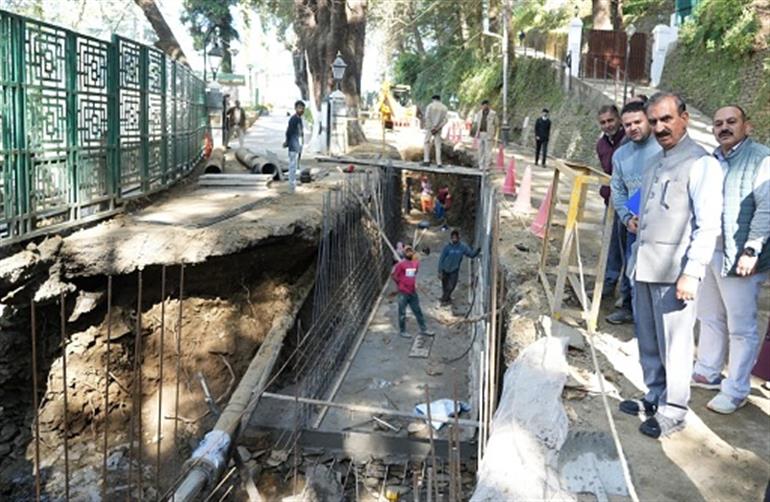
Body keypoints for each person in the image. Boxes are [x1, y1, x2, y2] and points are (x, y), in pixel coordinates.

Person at [619, 92, 722, 439]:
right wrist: (631, 215)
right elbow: (640, 204)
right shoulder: (654, 162)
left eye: (667, 119)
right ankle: (654, 394)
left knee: (675, 344)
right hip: (645, 265)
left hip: (675, 271)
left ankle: (674, 409)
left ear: (684, 118)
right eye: (655, 120)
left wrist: (692, 272)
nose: (660, 127)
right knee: (648, 338)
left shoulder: (700, 163)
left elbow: (708, 224)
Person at [691, 105, 770, 414]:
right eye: (718, 123)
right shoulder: (712, 160)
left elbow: (767, 208)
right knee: (708, 315)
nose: (724, 127)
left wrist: (752, 248)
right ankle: (708, 371)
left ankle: (736, 388)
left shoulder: (761, 158)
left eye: (731, 122)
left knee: (742, 326)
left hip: (740, 256)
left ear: (746, 127)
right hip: (711, 249)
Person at [607, 99, 661, 325]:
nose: (633, 128)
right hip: (633, 222)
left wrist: (641, 210)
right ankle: (628, 307)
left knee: (656, 273)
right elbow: (617, 188)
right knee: (631, 266)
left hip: (661, 224)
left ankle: (652, 318)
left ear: (648, 120)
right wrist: (627, 216)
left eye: (638, 122)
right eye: (628, 125)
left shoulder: (662, 148)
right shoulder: (620, 155)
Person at [596, 105, 629, 311]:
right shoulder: (601, 144)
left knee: (628, 248)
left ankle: (627, 297)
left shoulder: (630, 141)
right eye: (603, 122)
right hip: (611, 201)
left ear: (618, 119)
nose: (608, 125)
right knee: (610, 245)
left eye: (610, 120)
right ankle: (608, 285)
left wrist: (631, 207)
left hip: (630, 202)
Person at [392, 246, 435, 338]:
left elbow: (415, 272)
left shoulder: (415, 264)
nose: (409, 253)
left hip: (412, 292)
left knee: (417, 311)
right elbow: (394, 276)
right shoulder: (401, 265)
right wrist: (400, 285)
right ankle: (402, 331)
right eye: (407, 251)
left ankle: (424, 329)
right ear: (404, 254)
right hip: (403, 293)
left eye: (410, 251)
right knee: (402, 312)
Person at [438, 230, 480, 306]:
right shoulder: (447, 247)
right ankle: (447, 299)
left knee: (451, 286)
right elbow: (441, 259)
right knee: (445, 287)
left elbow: (470, 254)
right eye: (453, 238)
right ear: (451, 238)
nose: (454, 239)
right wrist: (439, 271)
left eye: (455, 238)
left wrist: (477, 251)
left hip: (454, 270)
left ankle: (444, 300)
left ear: (458, 238)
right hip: (445, 269)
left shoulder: (462, 247)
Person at [283, 100, 305, 193]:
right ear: (295, 108)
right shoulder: (294, 119)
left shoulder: (299, 118)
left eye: (302, 108)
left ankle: (293, 184)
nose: (301, 110)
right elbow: (288, 132)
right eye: (299, 108)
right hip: (293, 144)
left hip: (297, 144)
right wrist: (287, 142)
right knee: (292, 166)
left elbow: (300, 132)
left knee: (295, 165)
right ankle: (292, 186)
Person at [422, 95, 448, 167]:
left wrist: (431, 127)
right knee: (438, 145)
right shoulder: (444, 108)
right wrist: (438, 127)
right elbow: (445, 120)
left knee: (427, 142)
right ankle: (439, 163)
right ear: (440, 99)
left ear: (433, 99)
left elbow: (427, 117)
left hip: (430, 128)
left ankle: (426, 160)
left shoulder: (430, 106)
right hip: (438, 129)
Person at [473, 100, 498, 170]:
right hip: (480, 133)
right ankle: (480, 165)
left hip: (488, 134)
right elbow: (477, 123)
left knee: (488, 151)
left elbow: (496, 124)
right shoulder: (479, 113)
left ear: (488, 105)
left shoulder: (493, 113)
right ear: (482, 106)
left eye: (486, 105)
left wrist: (494, 134)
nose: (484, 106)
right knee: (480, 150)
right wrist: (476, 134)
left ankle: (487, 166)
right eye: (483, 105)